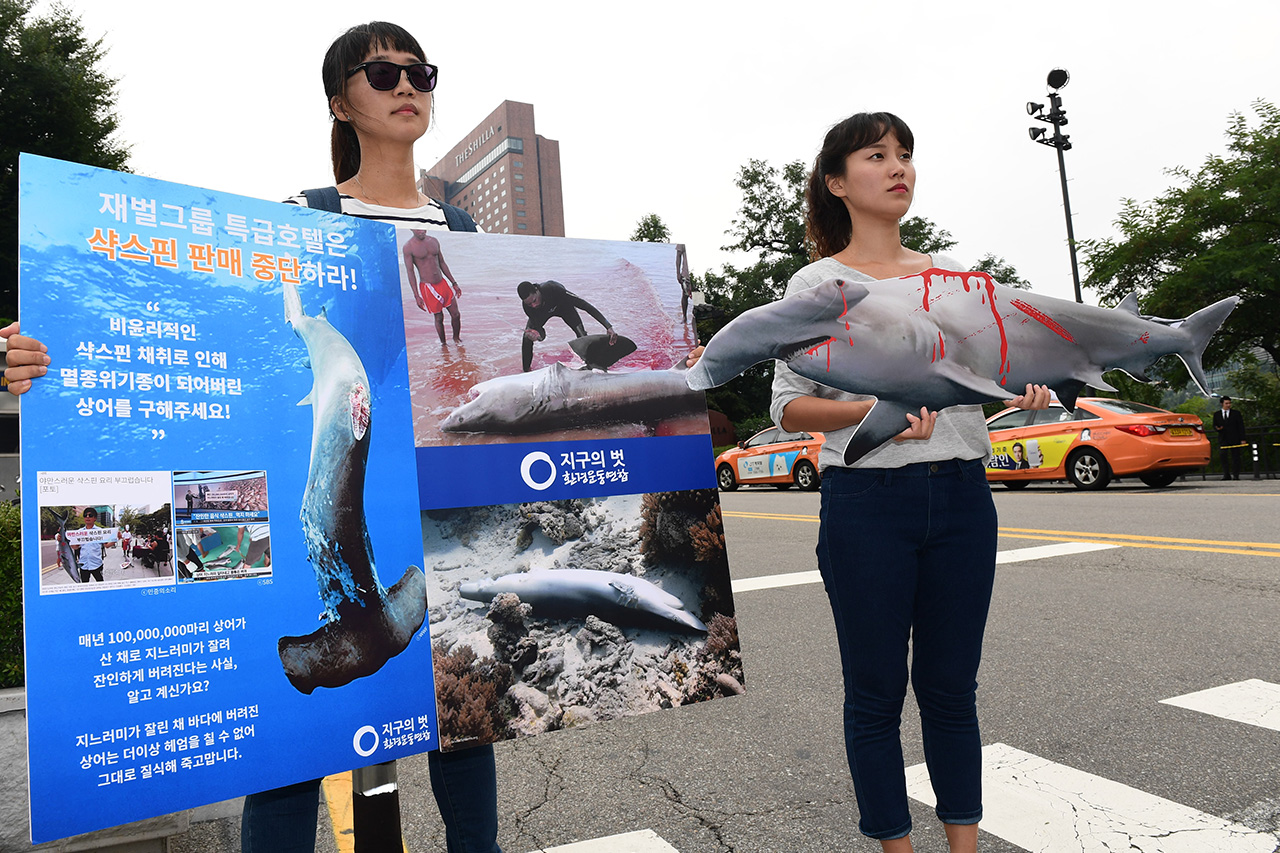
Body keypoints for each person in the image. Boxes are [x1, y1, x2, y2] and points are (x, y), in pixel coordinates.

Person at [6, 22, 503, 853]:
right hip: (317, 421)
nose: (407, 85)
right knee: (288, 759)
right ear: (340, 100)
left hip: (434, 480)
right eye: (382, 73)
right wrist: (45, 346)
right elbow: (189, 303)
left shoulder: (465, 232)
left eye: (421, 70)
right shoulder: (294, 219)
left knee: (464, 724)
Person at [689, 112, 1048, 852]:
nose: (899, 167)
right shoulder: (817, 283)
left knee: (952, 690)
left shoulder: (960, 280)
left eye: (907, 155)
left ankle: (964, 846)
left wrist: (1027, 390)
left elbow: (990, 375)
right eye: (877, 154)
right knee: (877, 693)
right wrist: (871, 409)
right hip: (867, 504)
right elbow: (786, 406)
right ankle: (895, 844)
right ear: (836, 181)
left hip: (961, 498)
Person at [517, 279, 616, 371]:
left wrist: (608, 326)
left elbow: (585, 306)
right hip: (542, 314)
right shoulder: (528, 307)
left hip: (564, 308)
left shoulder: (553, 289)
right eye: (529, 304)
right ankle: (526, 372)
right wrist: (538, 337)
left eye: (534, 300)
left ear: (536, 290)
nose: (533, 305)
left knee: (582, 335)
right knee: (527, 338)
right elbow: (541, 333)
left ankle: (591, 366)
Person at [403, 228, 462, 344]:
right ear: (411, 228)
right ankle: (444, 345)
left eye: (423, 228)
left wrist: (454, 283)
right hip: (428, 287)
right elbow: (410, 272)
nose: (421, 231)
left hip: (442, 282)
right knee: (439, 317)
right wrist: (416, 296)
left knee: (456, 314)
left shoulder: (433, 241)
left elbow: (442, 262)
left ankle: (456, 339)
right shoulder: (408, 247)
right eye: (418, 229)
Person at [1213, 396, 1246, 480]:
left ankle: (1236, 474)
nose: (1228, 405)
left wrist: (1242, 439)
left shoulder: (1236, 413)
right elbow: (1215, 425)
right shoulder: (1217, 414)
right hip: (1223, 438)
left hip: (1234, 438)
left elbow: (1241, 426)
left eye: (1229, 403)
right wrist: (1217, 428)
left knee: (1236, 457)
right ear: (1222, 404)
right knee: (1223, 456)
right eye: (1226, 403)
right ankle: (1226, 474)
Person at [74, 507, 105, 583]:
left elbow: (107, 545)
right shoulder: (80, 532)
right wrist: (62, 540)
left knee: (100, 584)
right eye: (85, 515)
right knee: (84, 586)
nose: (87, 517)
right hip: (83, 565)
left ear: (95, 518)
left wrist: (116, 538)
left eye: (90, 515)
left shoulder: (99, 531)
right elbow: (75, 547)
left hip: (97, 564)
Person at [675, 243, 693, 323]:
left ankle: (695, 319)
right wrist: (678, 273)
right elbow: (678, 255)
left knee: (697, 297)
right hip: (686, 274)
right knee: (685, 295)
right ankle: (685, 317)